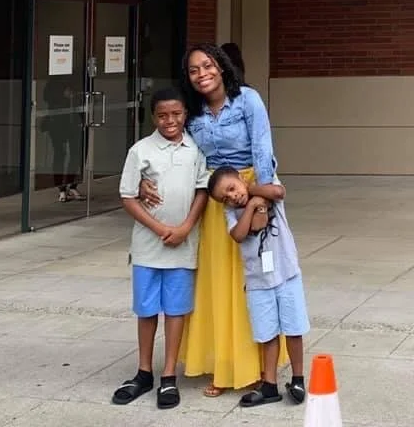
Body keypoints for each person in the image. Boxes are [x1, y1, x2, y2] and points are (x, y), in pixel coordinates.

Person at [138, 43, 287, 397]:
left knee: (255, 284)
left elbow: (263, 149)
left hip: (251, 192)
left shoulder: (248, 100)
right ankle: (224, 366)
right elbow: (173, 146)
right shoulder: (192, 113)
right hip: (214, 202)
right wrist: (145, 176)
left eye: (207, 66)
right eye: (193, 70)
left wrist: (260, 201)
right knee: (219, 288)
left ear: (221, 68)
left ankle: (259, 370)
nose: (202, 74)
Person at [112, 87, 208, 409]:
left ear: (186, 115)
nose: (170, 121)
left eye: (177, 114)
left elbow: (202, 192)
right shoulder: (140, 150)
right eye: (163, 115)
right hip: (147, 247)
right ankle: (143, 371)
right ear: (153, 117)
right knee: (147, 309)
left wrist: (184, 228)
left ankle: (168, 375)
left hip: (183, 245)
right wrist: (159, 228)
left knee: (176, 310)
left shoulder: (195, 149)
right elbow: (127, 195)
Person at [208, 165, 310, 408]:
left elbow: (279, 192)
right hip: (258, 282)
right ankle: (270, 385)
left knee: (293, 328)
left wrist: (253, 192)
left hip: (287, 274)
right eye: (225, 197)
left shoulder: (265, 189)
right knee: (268, 334)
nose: (232, 196)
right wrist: (253, 205)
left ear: (242, 180)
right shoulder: (231, 213)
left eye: (232, 188)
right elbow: (241, 233)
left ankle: (298, 379)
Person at [42, 77, 83, 202]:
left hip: (73, 123)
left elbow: (81, 99)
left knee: (76, 154)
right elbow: (47, 98)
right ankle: (61, 188)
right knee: (60, 154)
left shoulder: (75, 81)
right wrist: (63, 95)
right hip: (58, 123)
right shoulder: (53, 82)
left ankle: (72, 185)